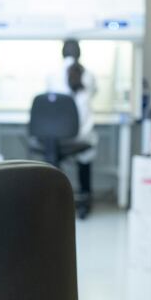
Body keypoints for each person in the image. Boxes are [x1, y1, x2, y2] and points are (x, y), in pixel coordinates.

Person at [47, 39, 98, 218]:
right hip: (81, 135)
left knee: (52, 152)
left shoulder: (53, 74)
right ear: (80, 54)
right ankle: (84, 197)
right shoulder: (89, 75)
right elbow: (93, 93)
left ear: (62, 53)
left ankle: (53, 199)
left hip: (58, 137)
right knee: (87, 152)